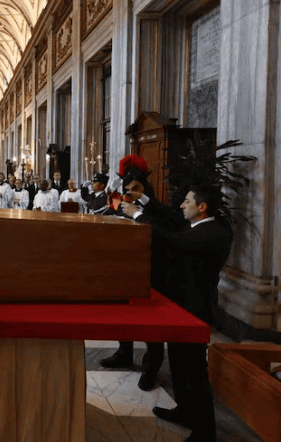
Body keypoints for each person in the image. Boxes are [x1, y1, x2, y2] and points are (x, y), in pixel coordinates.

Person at [125, 185, 232, 442]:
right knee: (178, 363)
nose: (182, 206)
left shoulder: (214, 233)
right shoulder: (197, 225)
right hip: (180, 305)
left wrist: (137, 216)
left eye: (186, 201)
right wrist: (143, 200)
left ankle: (206, 431)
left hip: (196, 308)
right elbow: (169, 217)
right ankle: (185, 410)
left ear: (202, 206)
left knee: (194, 371)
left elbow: (173, 239)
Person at [100, 155, 179, 391]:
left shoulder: (156, 208)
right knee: (125, 313)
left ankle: (151, 365)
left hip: (153, 268)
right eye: (128, 188)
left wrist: (139, 204)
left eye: (137, 188)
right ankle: (124, 352)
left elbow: (163, 229)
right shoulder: (122, 204)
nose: (130, 192)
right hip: (127, 266)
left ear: (145, 189)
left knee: (151, 319)